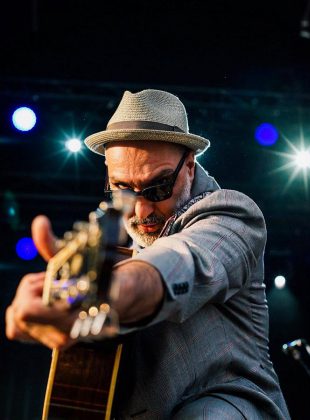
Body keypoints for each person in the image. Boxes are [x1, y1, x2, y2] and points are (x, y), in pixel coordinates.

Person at [6, 89, 290, 419]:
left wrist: (107, 293)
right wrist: (61, 295)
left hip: (228, 405)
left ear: (190, 167)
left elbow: (181, 261)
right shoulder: (110, 246)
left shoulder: (232, 214)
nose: (141, 210)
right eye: (123, 189)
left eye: (158, 188)